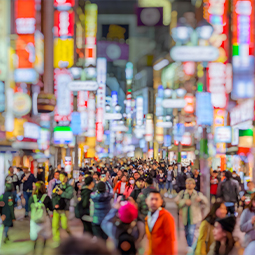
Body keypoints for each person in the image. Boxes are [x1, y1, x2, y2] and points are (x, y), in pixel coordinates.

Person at [175, 178, 208, 248]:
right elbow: (176, 201)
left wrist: (200, 199)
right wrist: (184, 201)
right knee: (186, 232)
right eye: (187, 183)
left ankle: (190, 246)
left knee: (191, 231)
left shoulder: (198, 194)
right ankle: (189, 244)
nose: (189, 185)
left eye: (190, 183)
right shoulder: (182, 193)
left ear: (194, 185)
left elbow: (206, 201)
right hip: (185, 216)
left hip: (194, 217)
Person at [145, 190, 176, 255]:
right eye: (151, 199)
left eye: (156, 199)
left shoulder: (166, 216)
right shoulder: (148, 217)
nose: (153, 202)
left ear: (161, 202)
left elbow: (170, 240)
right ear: (146, 201)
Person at [28, 181, 52, 253]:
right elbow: (51, 208)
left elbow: (29, 208)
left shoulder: (32, 197)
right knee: (45, 236)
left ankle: (34, 251)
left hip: (34, 220)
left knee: (35, 237)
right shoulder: (46, 197)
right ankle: (42, 251)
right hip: (44, 219)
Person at [52, 172, 73, 245]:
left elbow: (70, 196)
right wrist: (54, 193)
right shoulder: (57, 185)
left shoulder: (69, 187)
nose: (61, 178)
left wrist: (62, 193)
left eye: (63, 176)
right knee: (55, 225)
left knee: (65, 226)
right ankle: (56, 240)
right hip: (56, 208)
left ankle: (71, 237)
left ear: (66, 178)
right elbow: (53, 195)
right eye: (60, 176)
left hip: (64, 209)